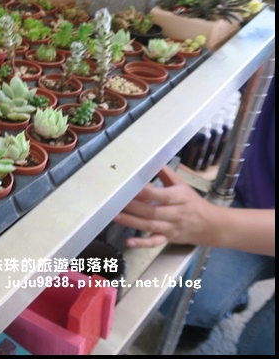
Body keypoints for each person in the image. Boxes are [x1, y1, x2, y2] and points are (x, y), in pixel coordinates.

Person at [114, 77, 275, 354]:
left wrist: (213, 224)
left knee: (261, 343)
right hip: (254, 199)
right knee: (179, 293)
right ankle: (220, 308)